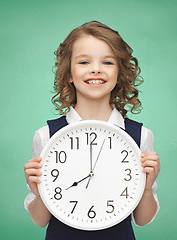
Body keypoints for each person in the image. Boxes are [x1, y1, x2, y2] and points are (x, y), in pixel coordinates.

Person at [24, 21, 160, 240]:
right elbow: (40, 220)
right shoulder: (46, 136)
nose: (96, 69)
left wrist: (146, 188)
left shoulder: (140, 136)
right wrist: (41, 194)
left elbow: (143, 220)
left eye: (107, 62)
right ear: (69, 73)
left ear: (119, 73)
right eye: (84, 61)